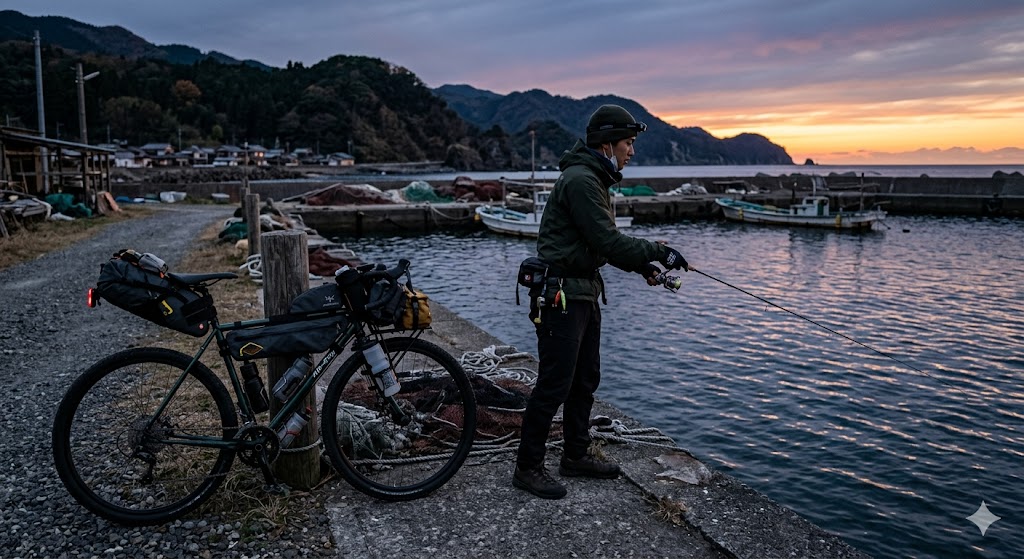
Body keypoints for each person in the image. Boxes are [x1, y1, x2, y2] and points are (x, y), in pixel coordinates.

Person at [513, 104, 689, 499]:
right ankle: (527, 467)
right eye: (628, 143)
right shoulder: (581, 180)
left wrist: (643, 267)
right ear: (607, 144)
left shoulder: (592, 178)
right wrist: (658, 252)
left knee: (584, 379)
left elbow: (598, 245)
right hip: (562, 296)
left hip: (582, 292)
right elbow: (609, 241)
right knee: (554, 384)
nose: (632, 151)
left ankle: (575, 455)